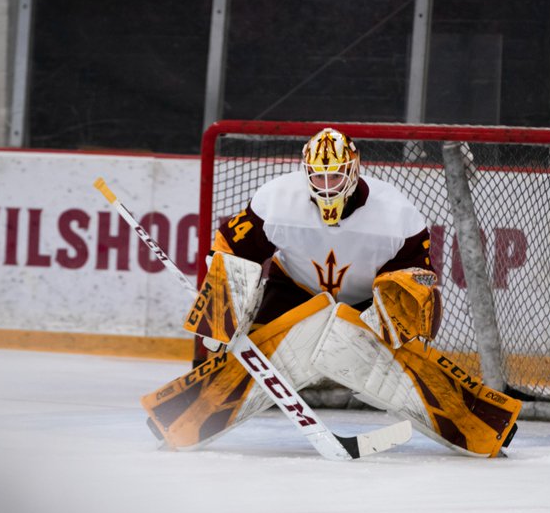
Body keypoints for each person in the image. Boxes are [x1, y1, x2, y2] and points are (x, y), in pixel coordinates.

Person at [142, 127, 520, 457]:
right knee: (253, 358)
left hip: (365, 301)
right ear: (305, 173)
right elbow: (231, 249)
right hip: (294, 291)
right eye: (318, 178)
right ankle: (180, 420)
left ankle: (483, 426)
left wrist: (396, 318)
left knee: (400, 368)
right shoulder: (276, 200)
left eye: (335, 177)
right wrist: (220, 309)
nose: (326, 187)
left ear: (354, 171)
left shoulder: (396, 214)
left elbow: (418, 280)